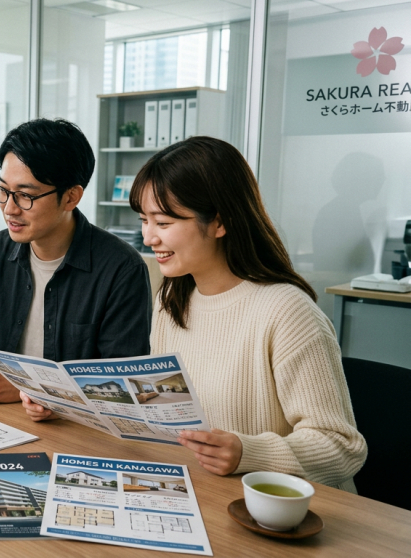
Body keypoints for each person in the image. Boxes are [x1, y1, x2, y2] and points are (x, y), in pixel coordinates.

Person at [22, 136, 367, 492]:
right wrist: (67, 405)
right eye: (144, 220)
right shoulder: (172, 299)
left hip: (278, 512)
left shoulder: (288, 313)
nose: (148, 237)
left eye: (164, 223)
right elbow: (158, 409)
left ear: (219, 223)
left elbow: (342, 447)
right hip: (201, 492)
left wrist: (249, 452)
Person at [0, 118, 152, 403]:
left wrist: (30, 389)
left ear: (71, 197)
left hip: (73, 431)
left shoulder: (121, 269)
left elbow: (122, 385)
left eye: (25, 195)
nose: (9, 208)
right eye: (3, 190)